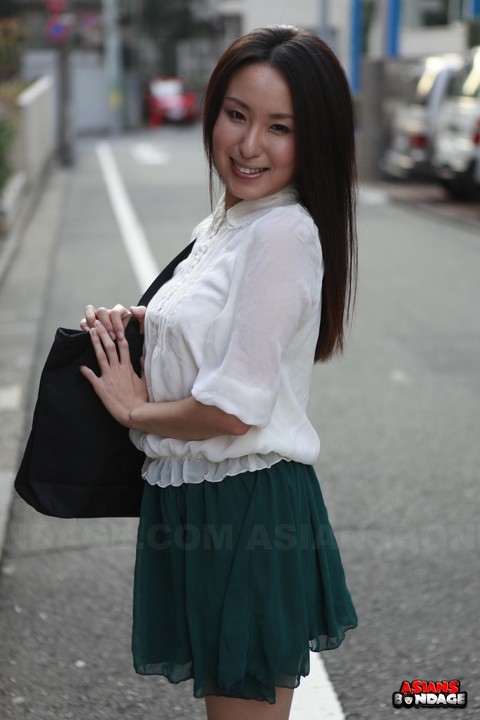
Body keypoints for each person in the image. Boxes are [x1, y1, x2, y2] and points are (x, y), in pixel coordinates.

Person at [80, 25, 358, 720]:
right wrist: (150, 325)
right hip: (201, 500)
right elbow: (219, 332)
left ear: (313, 139)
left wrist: (134, 410)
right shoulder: (230, 220)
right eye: (237, 115)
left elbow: (235, 408)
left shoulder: (283, 233)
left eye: (280, 127)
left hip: (246, 508)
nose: (249, 145)